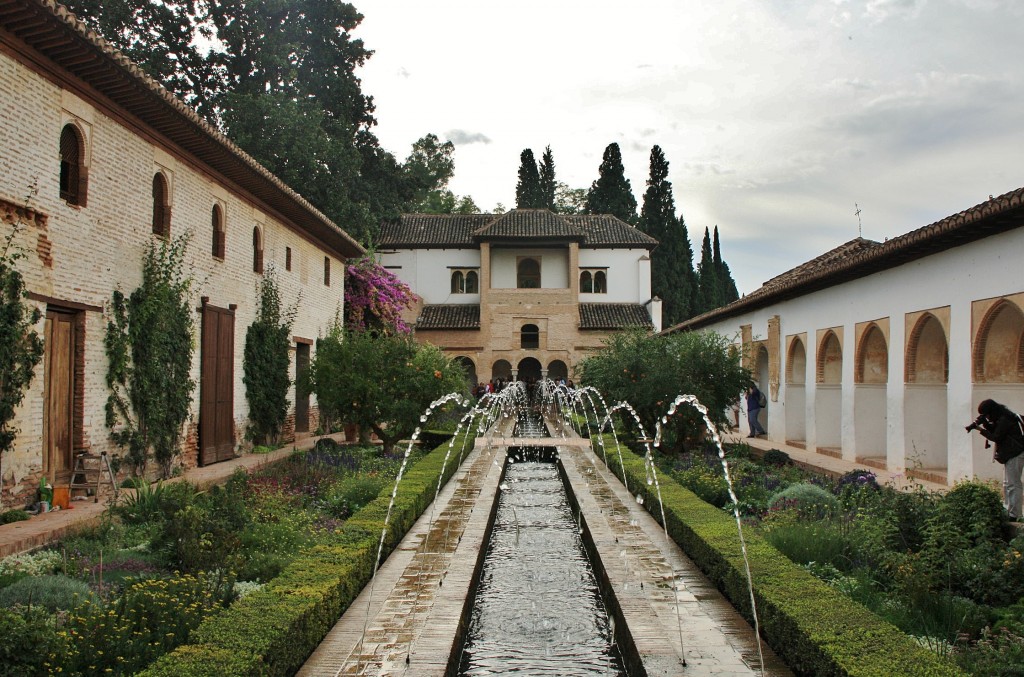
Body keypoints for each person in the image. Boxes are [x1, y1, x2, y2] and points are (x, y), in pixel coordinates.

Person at [969, 399, 1024, 520]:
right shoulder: (1002, 418)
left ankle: (1015, 514)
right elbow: (996, 430)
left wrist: (980, 429)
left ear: (992, 411)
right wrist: (985, 424)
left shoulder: (1006, 419)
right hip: (1010, 454)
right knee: (1007, 484)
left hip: (1015, 453)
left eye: (987, 415)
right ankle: (1009, 510)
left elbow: (996, 437)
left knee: (1013, 484)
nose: (987, 417)